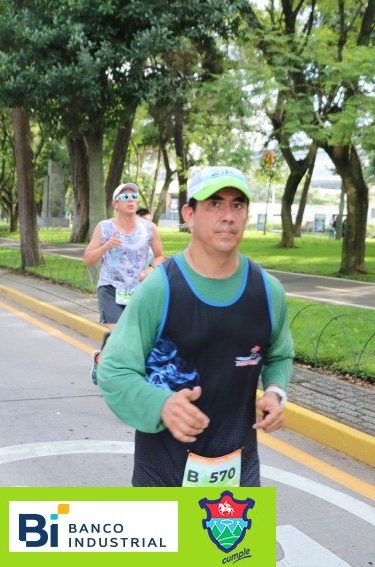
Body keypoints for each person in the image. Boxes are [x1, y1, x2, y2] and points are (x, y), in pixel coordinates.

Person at [96, 166, 294, 488]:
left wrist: (274, 392)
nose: (228, 216)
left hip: (237, 473)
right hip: (161, 472)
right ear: (189, 214)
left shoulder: (268, 291)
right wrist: (160, 404)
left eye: (237, 205)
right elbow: (114, 370)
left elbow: (279, 354)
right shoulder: (160, 288)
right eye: (214, 204)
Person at [83, 182, 164, 383]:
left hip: (137, 291)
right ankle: (127, 376)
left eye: (134, 196)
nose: (131, 200)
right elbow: (88, 259)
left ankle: (101, 358)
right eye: (125, 197)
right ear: (115, 204)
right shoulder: (104, 227)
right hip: (110, 288)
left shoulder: (149, 228)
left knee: (132, 335)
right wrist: (106, 246)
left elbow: (160, 256)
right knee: (123, 334)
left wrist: (150, 269)